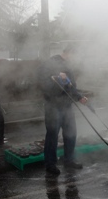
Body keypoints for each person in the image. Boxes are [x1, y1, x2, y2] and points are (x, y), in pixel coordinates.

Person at [37, 45, 88, 175]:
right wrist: (57, 79)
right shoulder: (49, 64)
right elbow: (44, 84)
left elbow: (71, 86)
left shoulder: (68, 66)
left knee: (71, 133)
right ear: (69, 53)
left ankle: (69, 160)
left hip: (67, 105)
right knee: (52, 135)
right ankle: (50, 164)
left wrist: (79, 97)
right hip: (53, 106)